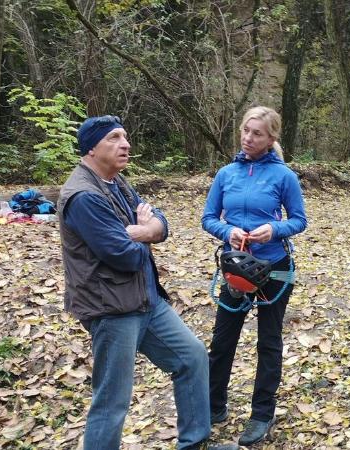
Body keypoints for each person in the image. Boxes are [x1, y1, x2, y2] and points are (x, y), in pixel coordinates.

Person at [58, 115, 237, 450]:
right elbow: (125, 256)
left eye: (125, 136)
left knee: (192, 358)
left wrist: (145, 231)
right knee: (112, 399)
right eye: (114, 138)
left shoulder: (117, 182)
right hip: (111, 308)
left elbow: (162, 224)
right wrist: (147, 234)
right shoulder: (83, 196)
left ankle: (194, 442)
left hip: (145, 299)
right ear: (91, 148)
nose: (125, 144)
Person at [202, 106, 308, 446]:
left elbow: (299, 220)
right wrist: (228, 231)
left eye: (257, 133)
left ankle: (262, 413)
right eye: (246, 131)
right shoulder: (226, 174)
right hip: (235, 267)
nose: (248, 138)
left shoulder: (284, 177)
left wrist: (273, 230)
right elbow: (207, 218)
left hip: (274, 269)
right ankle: (213, 406)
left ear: (271, 139)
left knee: (268, 342)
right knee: (222, 340)